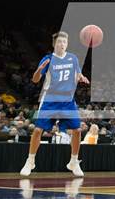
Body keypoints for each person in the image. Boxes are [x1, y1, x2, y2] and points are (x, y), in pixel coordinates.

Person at [20, 31, 90, 177]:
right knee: (38, 130)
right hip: (50, 100)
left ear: (67, 44)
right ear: (54, 44)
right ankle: (30, 161)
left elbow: (77, 74)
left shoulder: (73, 58)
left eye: (64, 41)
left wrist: (81, 77)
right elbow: (35, 80)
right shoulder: (48, 59)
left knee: (77, 130)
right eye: (59, 42)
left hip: (67, 101)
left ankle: (74, 161)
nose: (62, 44)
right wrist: (39, 70)